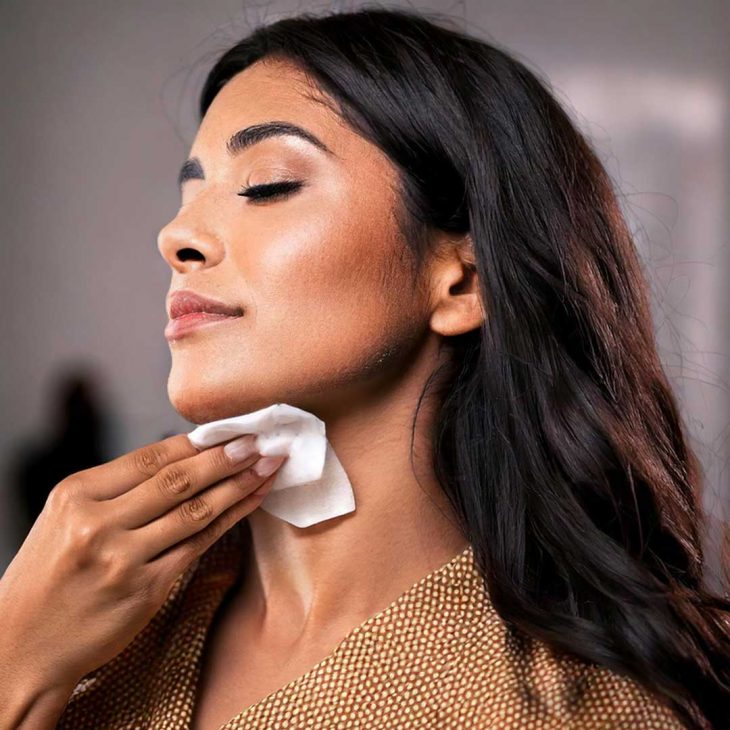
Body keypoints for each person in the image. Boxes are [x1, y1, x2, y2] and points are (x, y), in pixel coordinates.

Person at [2, 7, 727, 729]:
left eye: (268, 185)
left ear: (464, 281)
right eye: (189, 197)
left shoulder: (574, 712)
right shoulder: (86, 621)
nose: (175, 236)